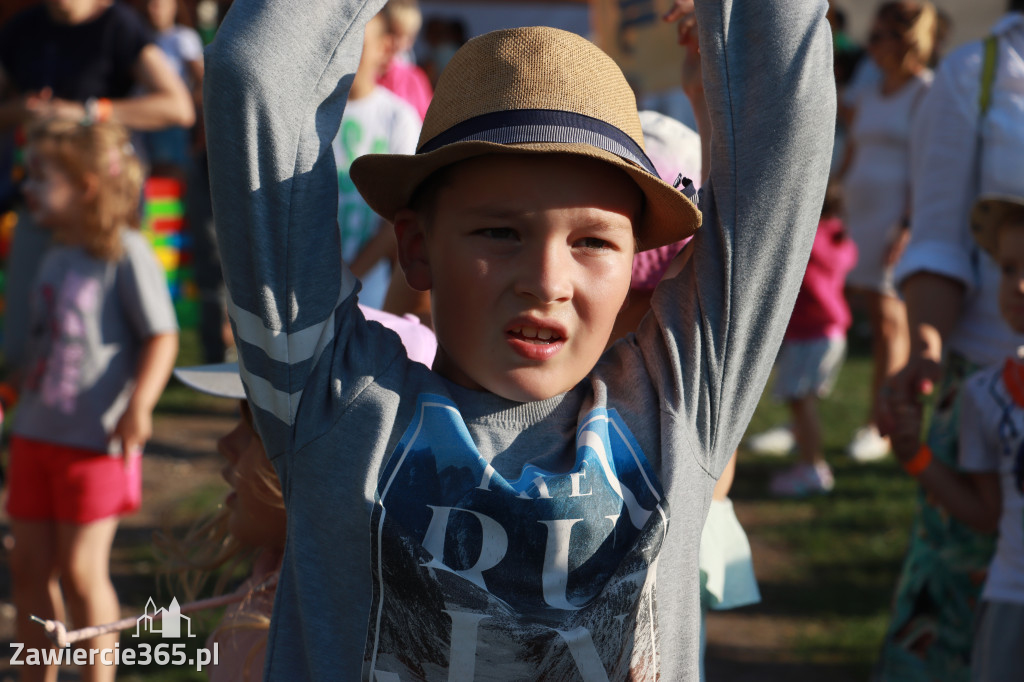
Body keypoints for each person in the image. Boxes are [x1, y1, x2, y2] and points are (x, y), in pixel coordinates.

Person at [203, 0, 834, 679]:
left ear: (635, 262)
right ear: (415, 246)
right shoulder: (333, 404)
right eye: (500, 233)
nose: (545, 280)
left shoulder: (680, 403)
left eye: (592, 240)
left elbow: (785, 111)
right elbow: (258, 79)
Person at [168, 307, 436, 682]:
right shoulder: (271, 587)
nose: (225, 444)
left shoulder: (331, 652)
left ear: (347, 461)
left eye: (260, 428)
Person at [877, 3, 1024, 679]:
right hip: (984, 380)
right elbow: (938, 238)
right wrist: (926, 346)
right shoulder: (979, 74)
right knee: (960, 592)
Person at [4, 119, 179, 682]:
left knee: (82, 574)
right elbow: (45, 345)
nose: (28, 189)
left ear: (84, 186)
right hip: (35, 435)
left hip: (94, 444)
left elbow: (162, 335)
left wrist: (140, 406)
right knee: (28, 568)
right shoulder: (53, 254)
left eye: (42, 178)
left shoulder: (126, 252)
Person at [890, 195, 1024, 682]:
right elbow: (987, 514)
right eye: (1008, 269)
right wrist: (916, 456)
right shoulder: (984, 395)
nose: (1020, 285)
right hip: (1011, 598)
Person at [837, 0, 936, 463]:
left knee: (890, 320)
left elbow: (929, 166)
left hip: (895, 221)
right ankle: (869, 415)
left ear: (906, 40)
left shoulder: (926, 93)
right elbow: (855, 151)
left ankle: (882, 423)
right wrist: (835, 199)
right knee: (872, 320)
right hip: (861, 215)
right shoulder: (872, 93)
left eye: (879, 36)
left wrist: (910, 225)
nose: (870, 47)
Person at [747, 184, 858, 496]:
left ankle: (813, 469)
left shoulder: (810, 238)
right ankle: (807, 461)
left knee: (802, 401)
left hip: (814, 333)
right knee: (802, 401)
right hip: (827, 332)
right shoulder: (837, 237)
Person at [334, 9, 421, 311]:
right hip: (308, 288)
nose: (340, 51)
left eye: (354, 42)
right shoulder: (313, 118)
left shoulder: (398, 118)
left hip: (370, 293)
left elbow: (399, 214)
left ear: (384, 48)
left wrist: (350, 279)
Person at [378, 0, 433, 121]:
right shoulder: (367, 74)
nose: (399, 43)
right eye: (393, 34)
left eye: (408, 37)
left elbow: (425, 120)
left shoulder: (416, 79)